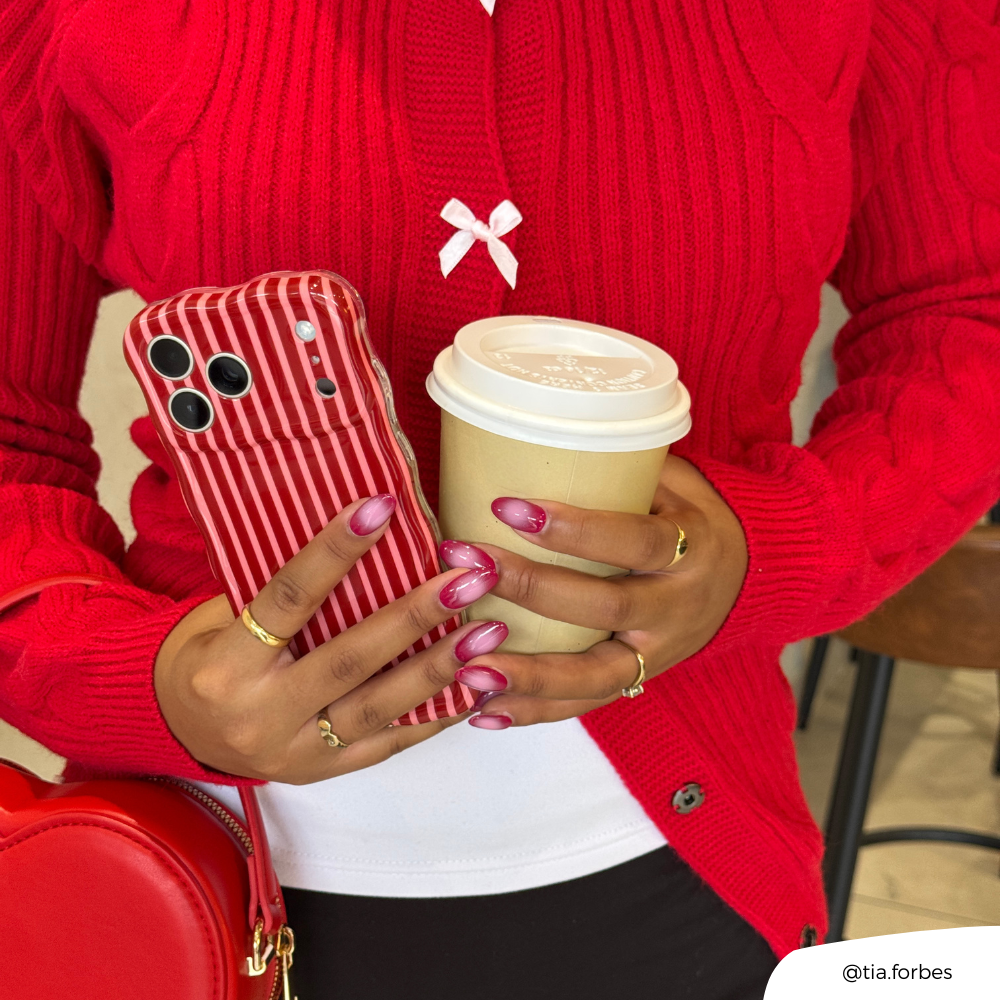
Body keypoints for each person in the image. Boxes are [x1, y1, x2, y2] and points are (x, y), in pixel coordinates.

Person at [2, 0, 999, 996]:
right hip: (187, 893)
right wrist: (146, 682)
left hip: (688, 879)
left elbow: (962, 309)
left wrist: (779, 549)